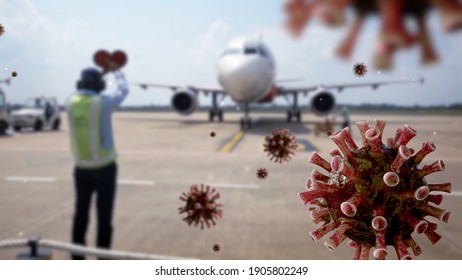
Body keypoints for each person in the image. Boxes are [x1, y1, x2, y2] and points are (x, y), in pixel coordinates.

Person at [66, 67, 128, 259]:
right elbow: (123, 90)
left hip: (81, 168)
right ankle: (103, 260)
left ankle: (77, 258)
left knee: (80, 214)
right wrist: (117, 72)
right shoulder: (103, 103)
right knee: (104, 217)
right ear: (100, 85)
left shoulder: (70, 103)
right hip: (104, 169)